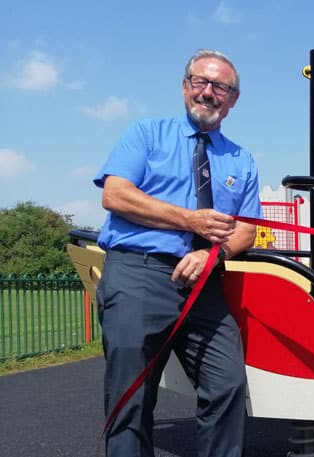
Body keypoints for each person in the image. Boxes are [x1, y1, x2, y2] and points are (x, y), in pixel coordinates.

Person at [93, 49, 262, 457]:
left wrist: (213, 255)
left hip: (204, 281)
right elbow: (116, 195)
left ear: (233, 99)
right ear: (185, 87)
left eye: (220, 86)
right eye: (200, 82)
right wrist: (190, 221)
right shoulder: (146, 134)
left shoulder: (241, 158)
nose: (208, 92)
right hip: (140, 274)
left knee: (227, 386)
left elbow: (247, 230)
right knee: (131, 397)